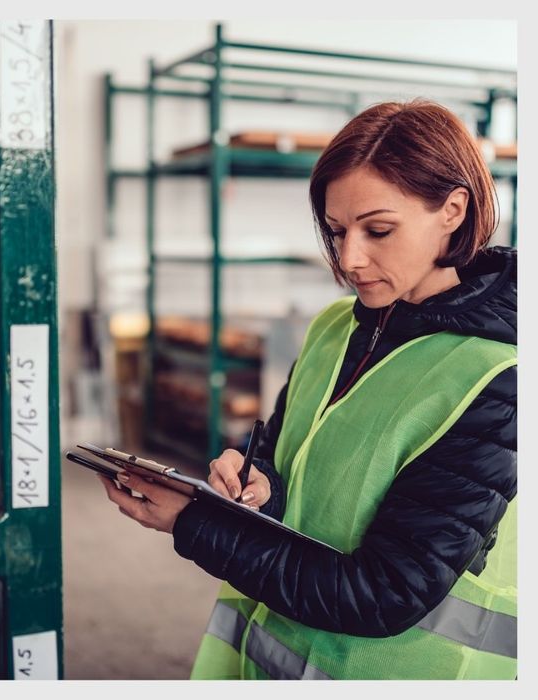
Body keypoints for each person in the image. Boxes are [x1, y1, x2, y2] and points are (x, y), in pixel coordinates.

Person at [98, 99, 517, 680]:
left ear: (452, 209)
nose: (349, 258)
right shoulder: (334, 327)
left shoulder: (499, 378)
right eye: (337, 230)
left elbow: (387, 591)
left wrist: (194, 524)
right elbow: (285, 459)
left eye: (378, 230)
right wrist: (255, 484)